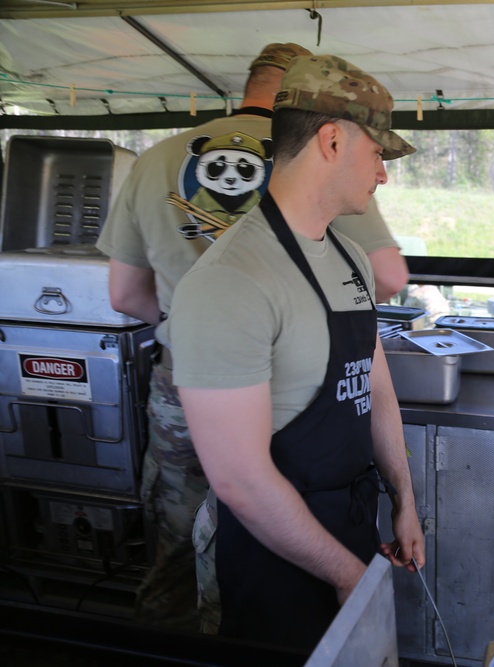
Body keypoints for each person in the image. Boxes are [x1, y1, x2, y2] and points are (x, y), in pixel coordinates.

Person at [96, 42, 410, 632]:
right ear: (332, 137)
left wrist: (190, 342)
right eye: (378, 152)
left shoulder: (157, 159)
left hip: (181, 389)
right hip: (252, 403)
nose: (384, 171)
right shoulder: (255, 252)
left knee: (177, 556)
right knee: (239, 568)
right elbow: (394, 274)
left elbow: (124, 295)